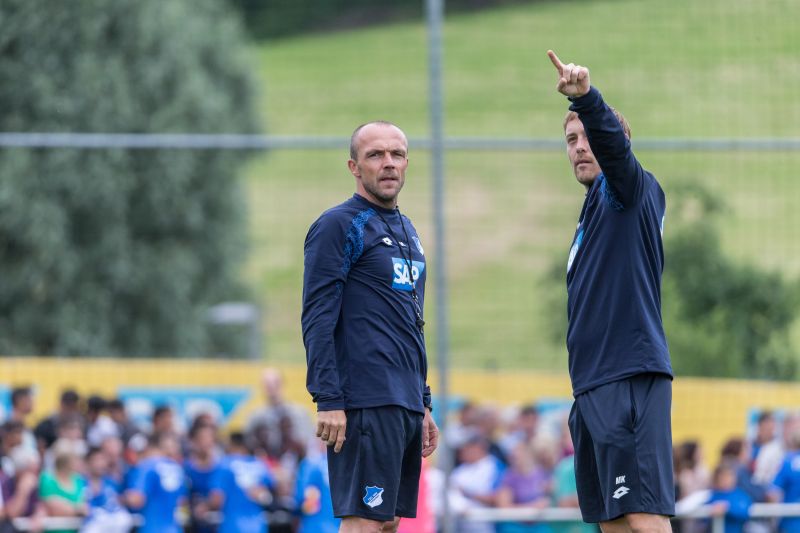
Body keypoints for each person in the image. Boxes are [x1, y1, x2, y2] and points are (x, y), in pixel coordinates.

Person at [548, 50, 674, 532]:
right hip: (593, 387)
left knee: (643, 519)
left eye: (588, 137)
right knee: (614, 523)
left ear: (617, 144)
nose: (580, 146)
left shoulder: (629, 191)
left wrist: (584, 101)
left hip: (629, 377)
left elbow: (616, 156)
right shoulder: (590, 215)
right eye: (570, 139)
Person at [301, 120, 439, 532]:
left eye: (396, 154)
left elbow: (410, 321)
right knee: (363, 522)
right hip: (363, 399)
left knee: (388, 522)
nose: (388, 163)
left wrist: (423, 402)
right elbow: (317, 316)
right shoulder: (338, 225)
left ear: (407, 162)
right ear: (354, 167)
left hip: (404, 401)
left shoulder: (407, 229)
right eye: (375, 155)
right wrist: (328, 398)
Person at [209, 432, 274, 533]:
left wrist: (204, 507)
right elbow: (271, 494)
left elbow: (216, 499)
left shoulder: (225, 464)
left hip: (232, 526)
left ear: (232, 444)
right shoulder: (260, 465)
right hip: (257, 527)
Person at [124, 432, 186, 533]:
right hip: (174, 529)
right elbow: (182, 500)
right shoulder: (177, 468)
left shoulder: (147, 466)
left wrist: (122, 499)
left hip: (152, 528)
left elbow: (137, 499)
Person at [706, 463, 752, 533]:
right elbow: (703, 516)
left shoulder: (740, 495)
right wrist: (711, 510)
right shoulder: (711, 495)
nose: (726, 480)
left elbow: (744, 511)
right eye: (723, 477)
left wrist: (727, 508)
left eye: (728, 476)